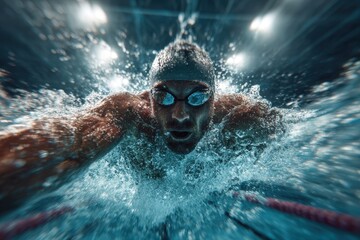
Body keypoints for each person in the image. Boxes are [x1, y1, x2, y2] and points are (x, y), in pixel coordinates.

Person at [0, 41, 281, 210]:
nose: (180, 115)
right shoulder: (128, 112)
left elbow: (290, 133)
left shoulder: (241, 116)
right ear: (149, 97)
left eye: (197, 97)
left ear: (214, 99)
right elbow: (71, 142)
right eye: (164, 96)